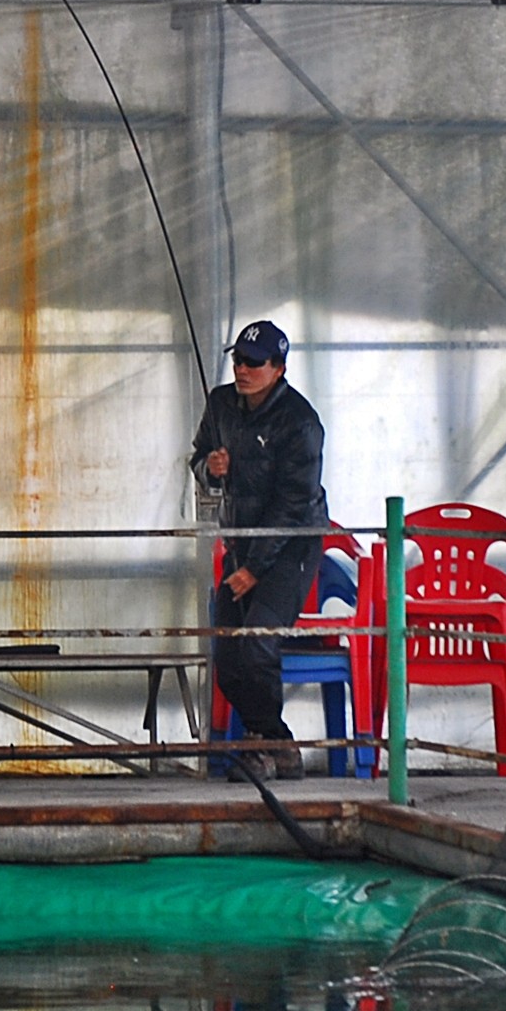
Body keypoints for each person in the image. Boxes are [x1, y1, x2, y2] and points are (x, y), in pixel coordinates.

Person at [190, 319, 327, 781]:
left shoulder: (301, 422)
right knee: (228, 654)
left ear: (278, 368)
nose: (242, 370)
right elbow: (198, 457)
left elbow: (294, 505)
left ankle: (262, 748)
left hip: (292, 548)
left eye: (253, 362)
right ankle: (276, 744)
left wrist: (253, 568)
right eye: (238, 360)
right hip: (241, 540)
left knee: (257, 643)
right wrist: (210, 467)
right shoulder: (220, 404)